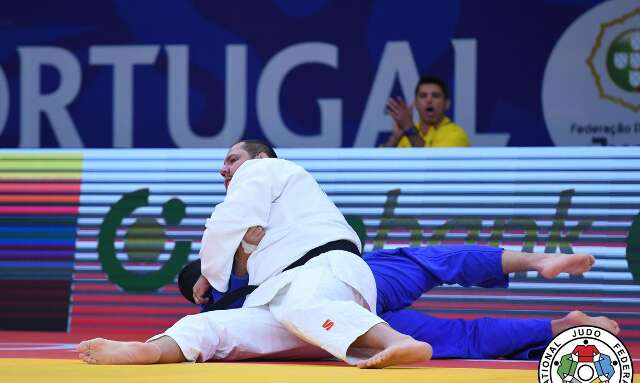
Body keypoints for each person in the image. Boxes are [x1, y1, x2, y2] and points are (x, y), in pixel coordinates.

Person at [79, 139, 432, 369]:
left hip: (326, 268)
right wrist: (224, 263)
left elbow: (225, 223)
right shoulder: (266, 213)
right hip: (285, 301)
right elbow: (235, 240)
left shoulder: (268, 169)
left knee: (302, 306)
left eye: (233, 159)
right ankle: (150, 351)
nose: (224, 169)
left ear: (259, 157)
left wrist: (208, 271)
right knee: (207, 325)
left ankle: (398, 341)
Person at [178, 230, 618, 360]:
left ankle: (559, 327)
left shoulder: (225, 308)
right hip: (354, 281)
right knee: (436, 262)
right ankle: (539, 273)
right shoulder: (237, 270)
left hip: (349, 314)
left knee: (460, 341)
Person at [383, 75, 470, 148]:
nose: (429, 100)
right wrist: (395, 138)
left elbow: (432, 165)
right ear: (416, 104)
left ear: (446, 104)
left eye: (435, 96)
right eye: (423, 96)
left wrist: (409, 128)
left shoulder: (456, 135)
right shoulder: (406, 134)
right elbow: (379, 164)